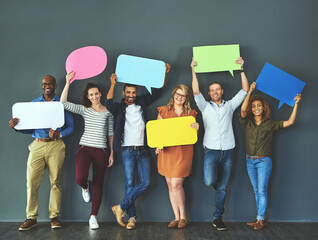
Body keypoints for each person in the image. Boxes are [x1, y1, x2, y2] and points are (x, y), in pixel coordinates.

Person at [106, 63, 170, 230]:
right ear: (124, 93)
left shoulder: (141, 102)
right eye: (128, 92)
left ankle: (120, 207)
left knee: (146, 181)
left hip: (142, 150)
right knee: (129, 184)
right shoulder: (119, 107)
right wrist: (113, 83)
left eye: (134, 92)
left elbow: (158, 91)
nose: (131, 95)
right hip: (127, 150)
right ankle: (132, 218)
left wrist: (164, 73)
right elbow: (107, 102)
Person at [190, 57, 249, 231]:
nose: (215, 92)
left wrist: (241, 69)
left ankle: (217, 217)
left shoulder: (230, 106)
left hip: (229, 151)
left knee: (223, 188)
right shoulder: (204, 107)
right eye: (212, 90)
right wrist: (193, 70)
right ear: (209, 93)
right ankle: (216, 183)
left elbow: (245, 89)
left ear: (222, 91)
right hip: (211, 151)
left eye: (217, 89)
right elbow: (195, 91)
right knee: (209, 181)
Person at [9, 75, 74, 231]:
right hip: (37, 145)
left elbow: (71, 126)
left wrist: (60, 134)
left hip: (56, 146)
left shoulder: (61, 103)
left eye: (50, 84)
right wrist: (17, 127)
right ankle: (31, 218)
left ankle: (54, 217)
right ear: (42, 86)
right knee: (31, 183)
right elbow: (30, 128)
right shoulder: (34, 104)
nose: (47, 86)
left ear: (55, 85)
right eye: (45, 84)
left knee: (56, 182)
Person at [240, 82, 302, 230]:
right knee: (256, 190)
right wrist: (250, 92)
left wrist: (296, 104)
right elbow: (242, 110)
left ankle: (260, 219)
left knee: (261, 190)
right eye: (254, 106)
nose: (256, 108)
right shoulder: (247, 122)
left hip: (263, 162)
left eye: (259, 106)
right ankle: (260, 218)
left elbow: (290, 122)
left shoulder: (270, 124)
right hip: (249, 161)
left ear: (264, 108)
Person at [59, 71, 114, 229]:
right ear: (88, 97)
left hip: (101, 151)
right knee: (79, 177)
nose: (95, 97)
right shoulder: (85, 109)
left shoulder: (108, 112)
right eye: (91, 95)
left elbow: (111, 133)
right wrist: (68, 83)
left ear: (100, 94)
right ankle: (84, 187)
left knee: (99, 183)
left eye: (96, 93)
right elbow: (63, 103)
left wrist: (111, 153)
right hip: (85, 148)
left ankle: (93, 217)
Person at [155, 84, 199, 229]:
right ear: (173, 94)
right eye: (177, 94)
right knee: (170, 185)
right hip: (167, 152)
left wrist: (196, 129)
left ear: (187, 98)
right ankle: (176, 217)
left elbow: (193, 136)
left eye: (183, 95)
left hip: (183, 152)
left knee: (176, 184)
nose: (179, 97)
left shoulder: (191, 113)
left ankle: (184, 217)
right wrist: (158, 145)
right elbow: (158, 132)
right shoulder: (164, 110)